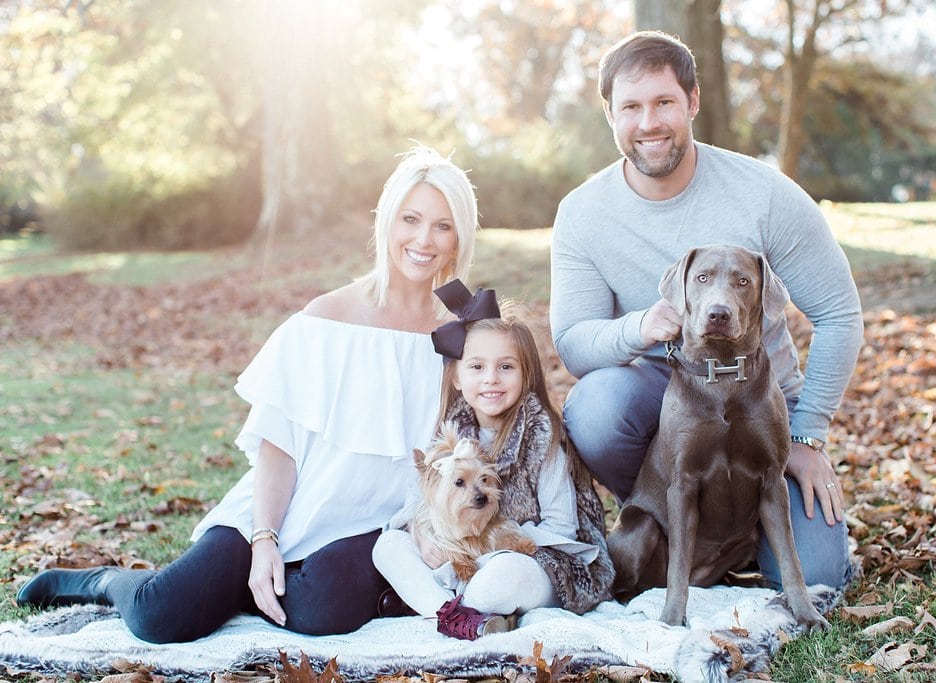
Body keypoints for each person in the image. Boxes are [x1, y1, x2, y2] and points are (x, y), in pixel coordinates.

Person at [16, 145, 481, 643]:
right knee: (162, 616)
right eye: (410, 219)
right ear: (387, 222)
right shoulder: (327, 319)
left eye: (442, 225)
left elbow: (479, 443)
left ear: (459, 238)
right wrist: (264, 539)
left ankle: (254, 592)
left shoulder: (464, 336)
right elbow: (277, 444)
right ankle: (107, 583)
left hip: (374, 527)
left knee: (321, 611)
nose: (423, 239)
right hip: (285, 506)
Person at [549, 30, 864, 590]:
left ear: (693, 102)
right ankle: (672, 519)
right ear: (610, 114)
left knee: (820, 577)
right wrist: (640, 327)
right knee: (595, 408)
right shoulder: (582, 213)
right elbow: (573, 341)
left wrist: (808, 435)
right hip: (666, 394)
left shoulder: (762, 193)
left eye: (664, 102)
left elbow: (840, 315)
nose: (649, 122)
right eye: (631, 107)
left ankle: (740, 536)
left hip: (764, 398)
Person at [372, 282, 614, 640]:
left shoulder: (541, 439)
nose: (491, 379)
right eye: (476, 367)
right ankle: (459, 616)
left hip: (535, 564)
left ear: (526, 373)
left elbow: (562, 528)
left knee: (499, 576)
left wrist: (491, 543)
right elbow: (414, 507)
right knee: (387, 546)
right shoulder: (447, 436)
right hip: (460, 557)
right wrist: (422, 535)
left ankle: (443, 606)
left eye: (505, 367)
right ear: (455, 377)